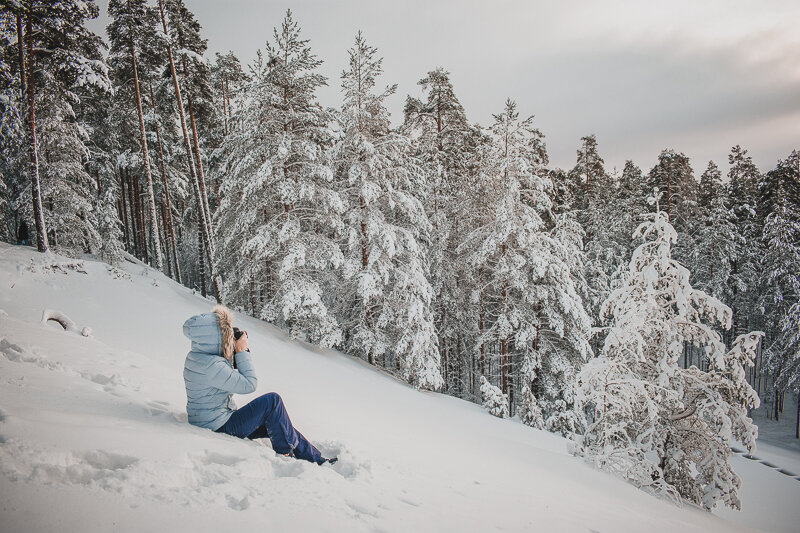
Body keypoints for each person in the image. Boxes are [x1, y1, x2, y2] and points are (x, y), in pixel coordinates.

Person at [182, 305, 336, 465]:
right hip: (219, 425)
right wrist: (241, 351)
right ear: (216, 338)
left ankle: (316, 459)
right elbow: (249, 384)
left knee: (281, 424)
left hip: (209, 420)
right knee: (272, 401)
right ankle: (286, 454)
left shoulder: (198, 357)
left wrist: (232, 351)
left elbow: (224, 377)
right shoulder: (212, 365)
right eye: (226, 334)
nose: (229, 338)